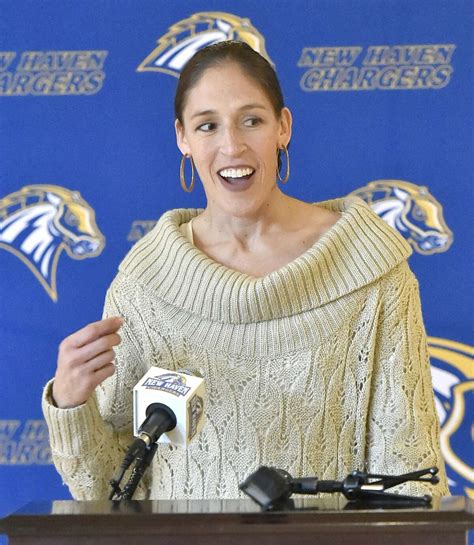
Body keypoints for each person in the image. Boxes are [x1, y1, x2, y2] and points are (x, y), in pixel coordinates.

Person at [42, 41, 449, 500]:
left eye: (251, 120)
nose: (232, 146)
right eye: (207, 125)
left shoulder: (370, 271)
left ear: (283, 127)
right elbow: (107, 490)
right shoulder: (145, 286)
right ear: (183, 138)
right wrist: (71, 405)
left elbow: (410, 477)